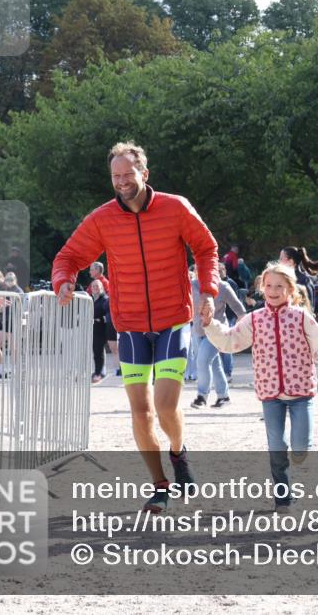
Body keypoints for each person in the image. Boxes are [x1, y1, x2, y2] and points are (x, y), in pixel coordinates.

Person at [52, 140, 220, 513]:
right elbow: (70, 256)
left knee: (164, 407)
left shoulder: (175, 208)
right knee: (140, 413)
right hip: (129, 326)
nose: (123, 181)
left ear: (144, 173)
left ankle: (178, 453)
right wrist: (63, 279)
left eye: (129, 174)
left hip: (172, 320)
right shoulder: (102, 218)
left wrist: (208, 291)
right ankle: (159, 484)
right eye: (116, 176)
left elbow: (206, 248)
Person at [206, 262, 318, 513]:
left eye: (279, 286)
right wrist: (210, 324)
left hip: (301, 393)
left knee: (299, 450)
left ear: (290, 290)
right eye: (268, 285)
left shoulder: (302, 318)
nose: (273, 290)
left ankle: (299, 451)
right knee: (277, 448)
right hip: (270, 394)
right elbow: (230, 341)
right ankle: (283, 498)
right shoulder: (254, 320)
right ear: (262, 288)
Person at [190, 263, 246, 409]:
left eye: (201, 269)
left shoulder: (223, 287)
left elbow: (240, 310)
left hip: (217, 332)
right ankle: (224, 396)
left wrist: (240, 333)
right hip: (198, 331)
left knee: (202, 362)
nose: (197, 271)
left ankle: (201, 397)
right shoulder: (192, 285)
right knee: (214, 365)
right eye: (196, 269)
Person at [89, 280, 109, 383]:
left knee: (98, 352)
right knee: (95, 352)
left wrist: (99, 319)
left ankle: (98, 373)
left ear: (101, 287)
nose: (95, 288)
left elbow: (108, 315)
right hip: (92, 329)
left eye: (97, 286)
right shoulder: (90, 299)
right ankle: (96, 371)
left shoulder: (105, 299)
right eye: (93, 286)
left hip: (101, 329)